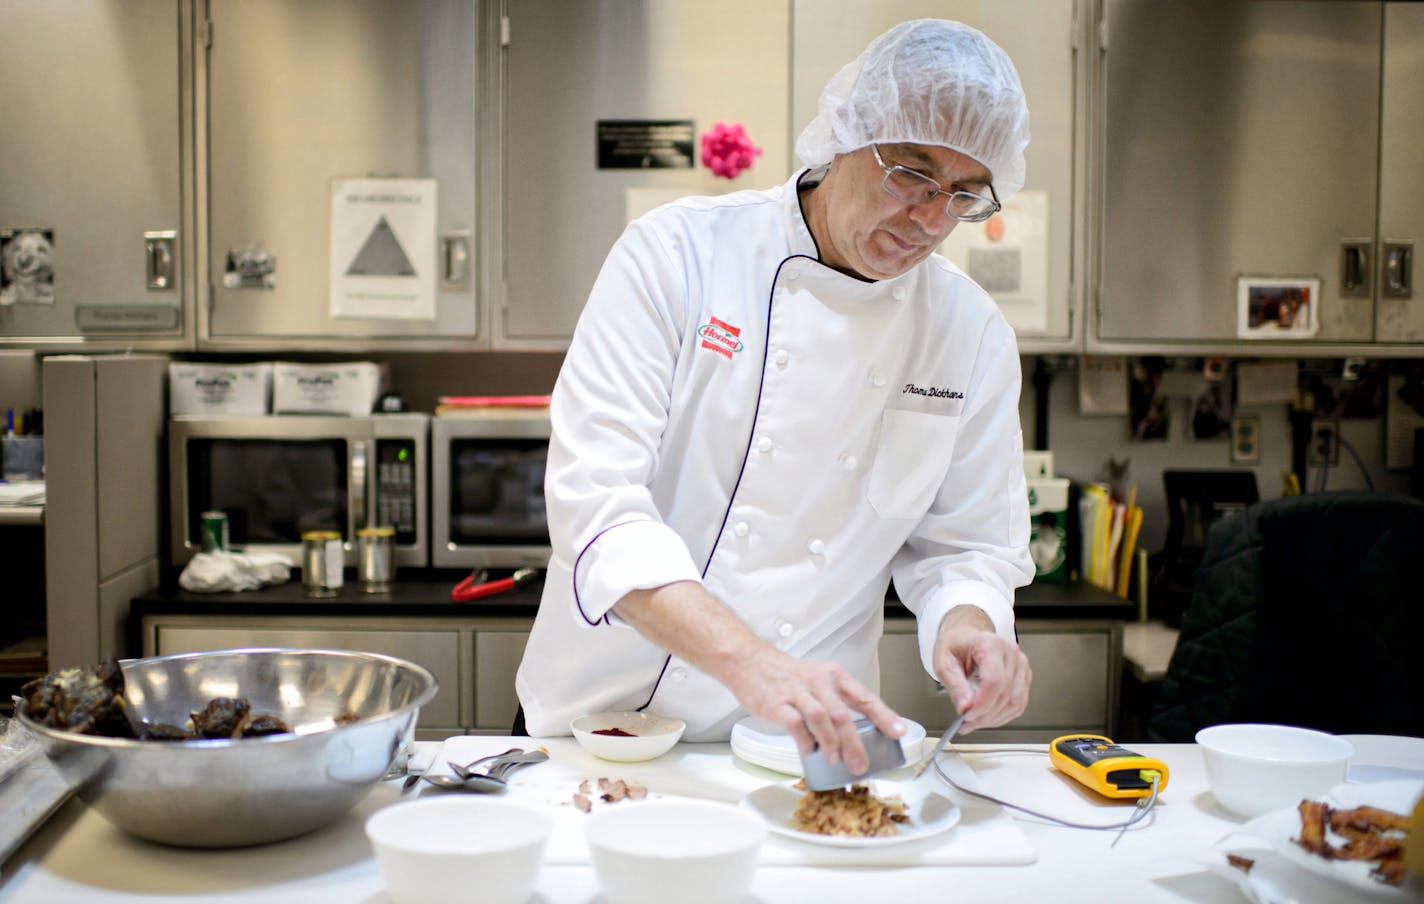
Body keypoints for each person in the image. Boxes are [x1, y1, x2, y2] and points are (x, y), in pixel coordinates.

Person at [516, 19, 1035, 774]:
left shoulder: (971, 334)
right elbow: (597, 507)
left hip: (806, 745)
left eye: (961, 194)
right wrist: (752, 663)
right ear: (846, 134)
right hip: (604, 736)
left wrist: (969, 623)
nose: (929, 219)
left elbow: (966, 547)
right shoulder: (677, 256)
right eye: (912, 174)